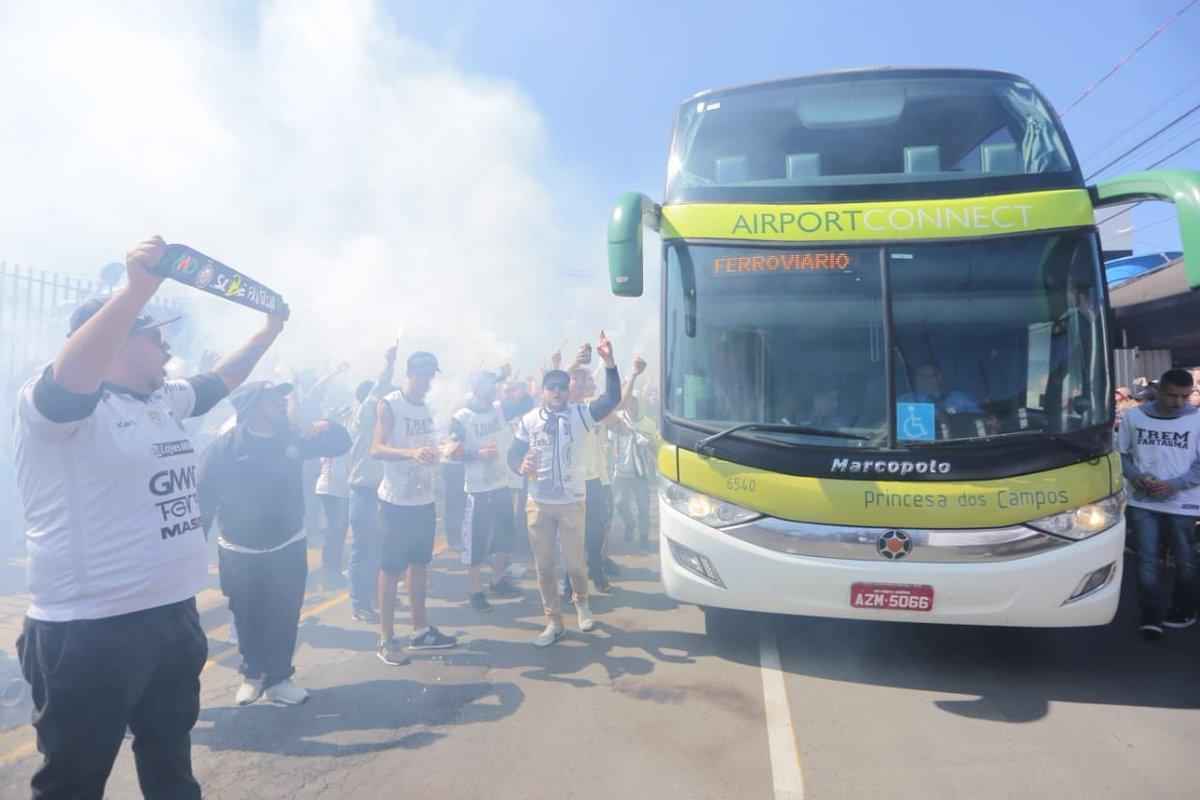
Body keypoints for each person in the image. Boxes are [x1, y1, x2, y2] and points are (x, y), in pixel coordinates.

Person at [13, 236, 285, 799]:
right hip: (90, 632)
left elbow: (221, 381)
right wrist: (137, 290)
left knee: (171, 767)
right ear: (115, 340)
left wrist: (269, 331)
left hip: (171, 618)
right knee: (71, 783)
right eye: (155, 338)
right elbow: (71, 376)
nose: (167, 350)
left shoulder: (161, 400)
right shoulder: (58, 408)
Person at [198, 382, 351, 705]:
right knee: (246, 616)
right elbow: (204, 502)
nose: (283, 402)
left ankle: (280, 679)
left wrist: (323, 425)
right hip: (238, 550)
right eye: (273, 398)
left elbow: (341, 443)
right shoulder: (223, 448)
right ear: (253, 406)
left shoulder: (292, 437)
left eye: (282, 397)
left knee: (285, 613)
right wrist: (196, 552)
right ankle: (252, 676)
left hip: (287, 545)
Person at [508, 333, 621, 647]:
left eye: (562, 387)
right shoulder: (529, 420)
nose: (557, 392)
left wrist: (609, 363)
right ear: (543, 392)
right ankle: (553, 622)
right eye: (551, 387)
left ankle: (581, 602)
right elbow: (513, 455)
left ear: (568, 390)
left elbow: (612, 399)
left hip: (572, 502)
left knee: (574, 565)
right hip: (539, 503)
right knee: (544, 567)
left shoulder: (581, 414)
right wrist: (520, 466)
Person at [371, 351, 457, 665]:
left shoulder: (430, 406)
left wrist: (446, 449)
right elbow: (375, 448)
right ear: (409, 373)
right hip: (395, 501)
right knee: (391, 569)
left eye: (431, 375)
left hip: (424, 499)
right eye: (423, 374)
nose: (428, 381)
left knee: (420, 564)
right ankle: (386, 638)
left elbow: (438, 442)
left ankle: (420, 630)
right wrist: (411, 453)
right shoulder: (390, 404)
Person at [1117, 368, 1200, 641]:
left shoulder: (1197, 419)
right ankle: (1150, 616)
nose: (1179, 402)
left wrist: (1175, 484)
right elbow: (1121, 454)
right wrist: (1136, 477)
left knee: (1185, 561)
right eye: (1172, 395)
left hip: (1184, 504)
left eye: (1185, 396)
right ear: (1158, 391)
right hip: (1143, 502)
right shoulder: (1134, 417)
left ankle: (1183, 610)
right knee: (1147, 560)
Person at [448, 367, 534, 611]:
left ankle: (498, 580)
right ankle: (475, 591)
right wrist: (477, 453)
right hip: (478, 489)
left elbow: (527, 402)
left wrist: (509, 381)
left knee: (505, 536)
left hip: (501, 484)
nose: (494, 388)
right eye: (489, 384)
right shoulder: (462, 417)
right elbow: (451, 451)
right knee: (476, 540)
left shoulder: (499, 409)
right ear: (476, 388)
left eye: (494, 384)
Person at [346, 345, 398, 624]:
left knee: (380, 548)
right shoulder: (364, 419)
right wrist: (388, 365)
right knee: (364, 550)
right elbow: (378, 390)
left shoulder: (382, 424)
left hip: (383, 492)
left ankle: (377, 596)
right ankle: (360, 604)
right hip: (364, 492)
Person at [611, 357, 656, 551]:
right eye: (629, 402)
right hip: (620, 472)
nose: (631, 405)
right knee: (619, 503)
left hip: (641, 473)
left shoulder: (648, 424)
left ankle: (644, 537)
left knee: (644, 507)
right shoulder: (618, 419)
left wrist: (648, 444)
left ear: (639, 404)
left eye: (634, 402)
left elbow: (656, 449)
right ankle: (630, 524)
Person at [314, 408, 351, 589]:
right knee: (334, 532)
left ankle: (332, 573)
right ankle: (330, 575)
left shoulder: (338, 436)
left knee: (337, 531)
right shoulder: (333, 437)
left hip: (335, 489)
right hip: (331, 489)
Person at [900, 363, 982, 414]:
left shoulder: (959, 398)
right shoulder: (906, 400)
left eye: (929, 376)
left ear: (939, 377)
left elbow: (979, 415)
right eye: (920, 376)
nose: (924, 380)